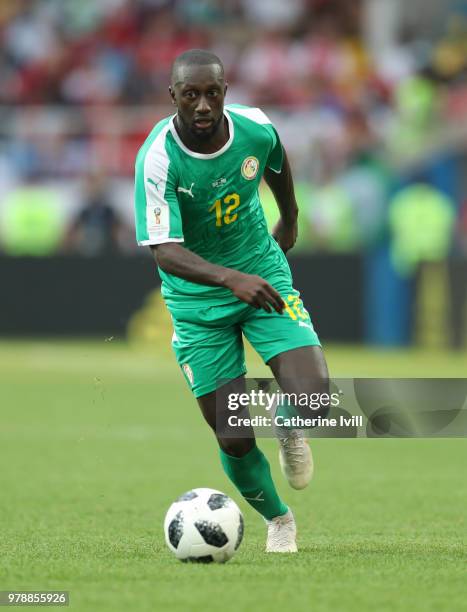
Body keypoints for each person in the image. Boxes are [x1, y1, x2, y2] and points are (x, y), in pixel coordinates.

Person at [134, 49, 329, 552]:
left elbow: (277, 159)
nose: (203, 105)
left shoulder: (254, 128)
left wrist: (290, 215)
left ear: (226, 91)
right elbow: (164, 250)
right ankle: (279, 520)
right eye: (191, 94)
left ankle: (289, 427)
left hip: (262, 273)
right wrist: (228, 279)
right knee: (235, 435)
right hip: (198, 303)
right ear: (172, 95)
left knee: (313, 397)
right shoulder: (157, 158)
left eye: (212, 93)